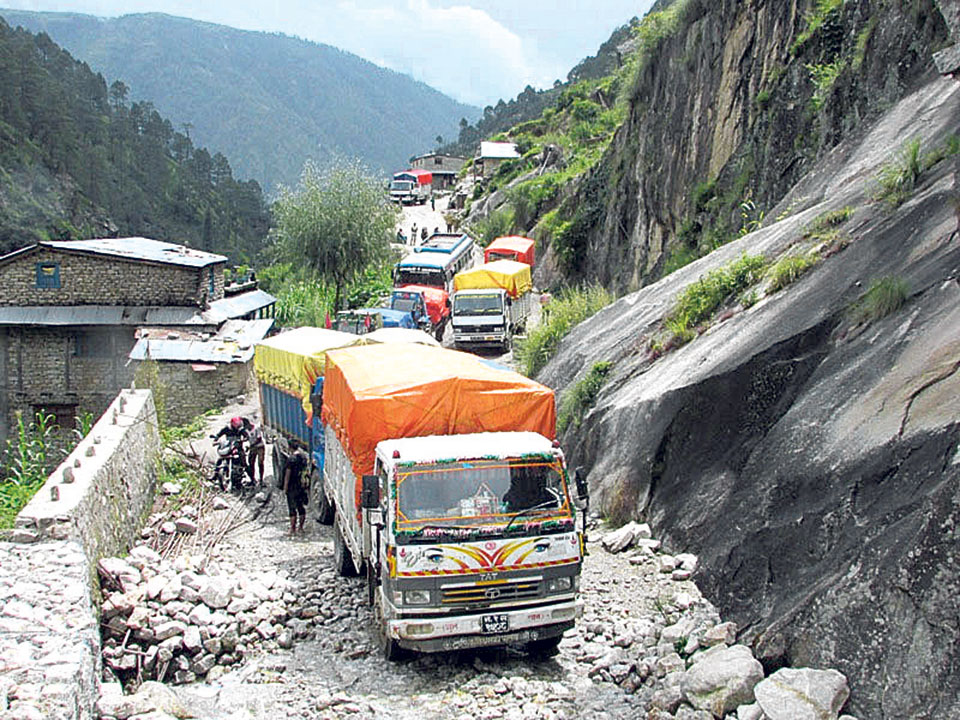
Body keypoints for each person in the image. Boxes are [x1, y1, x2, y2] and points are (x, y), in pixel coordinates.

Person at [283, 448, 309, 535]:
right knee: (301, 507)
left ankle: (292, 529)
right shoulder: (303, 458)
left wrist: (285, 488)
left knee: (292, 508)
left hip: (292, 487)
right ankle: (301, 528)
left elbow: (287, 475)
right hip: (301, 486)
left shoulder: (291, 460)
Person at [243, 418, 265, 487]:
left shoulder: (256, 428)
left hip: (259, 447)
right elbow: (247, 437)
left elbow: (259, 439)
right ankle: (253, 479)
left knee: (260, 462)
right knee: (251, 463)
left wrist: (251, 446)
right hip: (252, 447)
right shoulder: (246, 430)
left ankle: (261, 479)